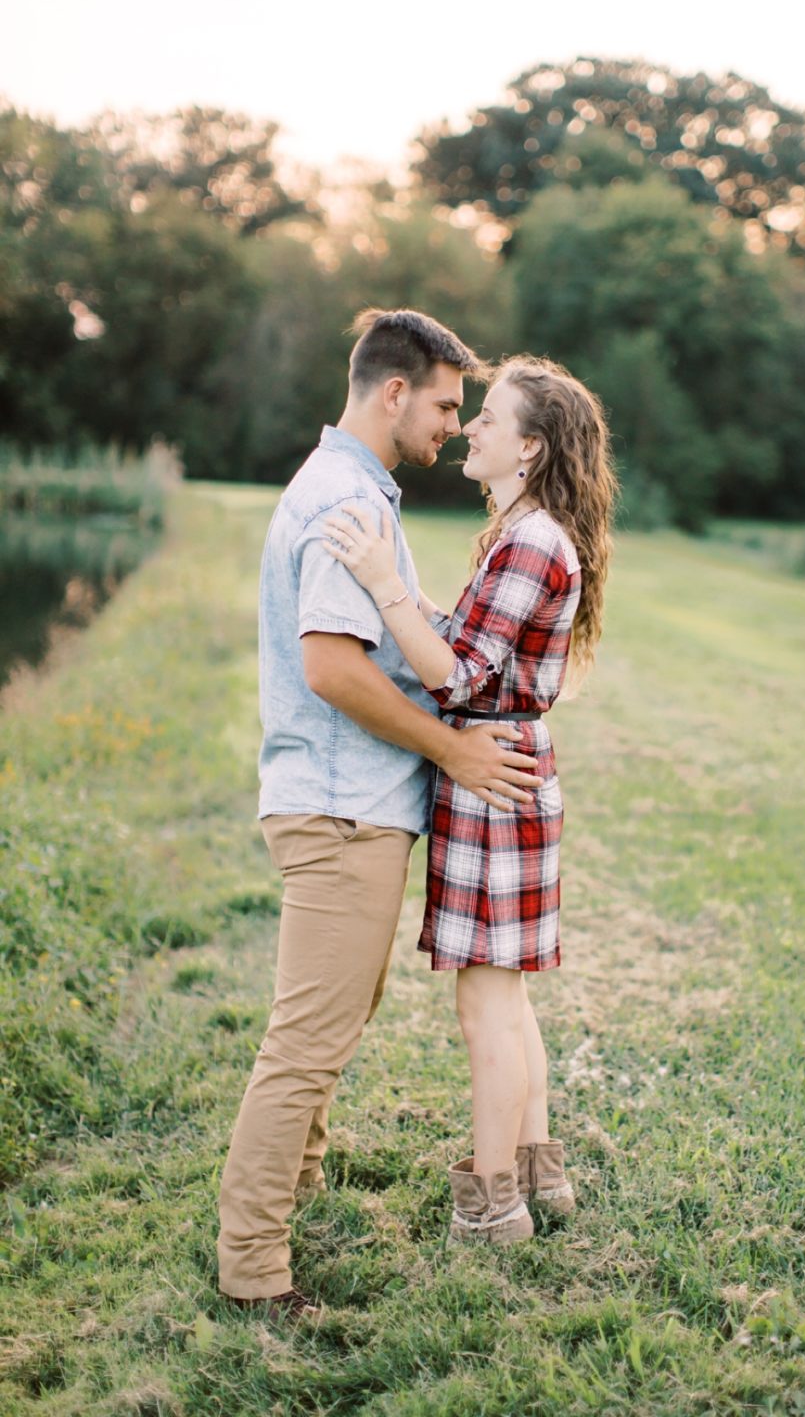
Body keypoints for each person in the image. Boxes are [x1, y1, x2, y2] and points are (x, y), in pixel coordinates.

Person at [217, 309, 543, 1320]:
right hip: (339, 808)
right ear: (393, 391)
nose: (454, 424)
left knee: (332, 1015)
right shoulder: (343, 499)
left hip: (352, 804)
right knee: (307, 1038)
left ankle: (301, 1181)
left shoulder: (359, 493)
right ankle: (254, 1267)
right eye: (446, 404)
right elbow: (329, 666)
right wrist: (453, 750)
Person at [322, 355, 616, 1244]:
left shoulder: (531, 541)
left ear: (528, 448)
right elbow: (463, 639)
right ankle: (539, 1173)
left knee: (484, 1004)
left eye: (491, 418)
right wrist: (405, 591)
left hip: (494, 775)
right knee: (507, 995)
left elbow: (456, 675)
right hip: (508, 767)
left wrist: (380, 584)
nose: (471, 427)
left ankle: (494, 1203)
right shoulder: (523, 531)